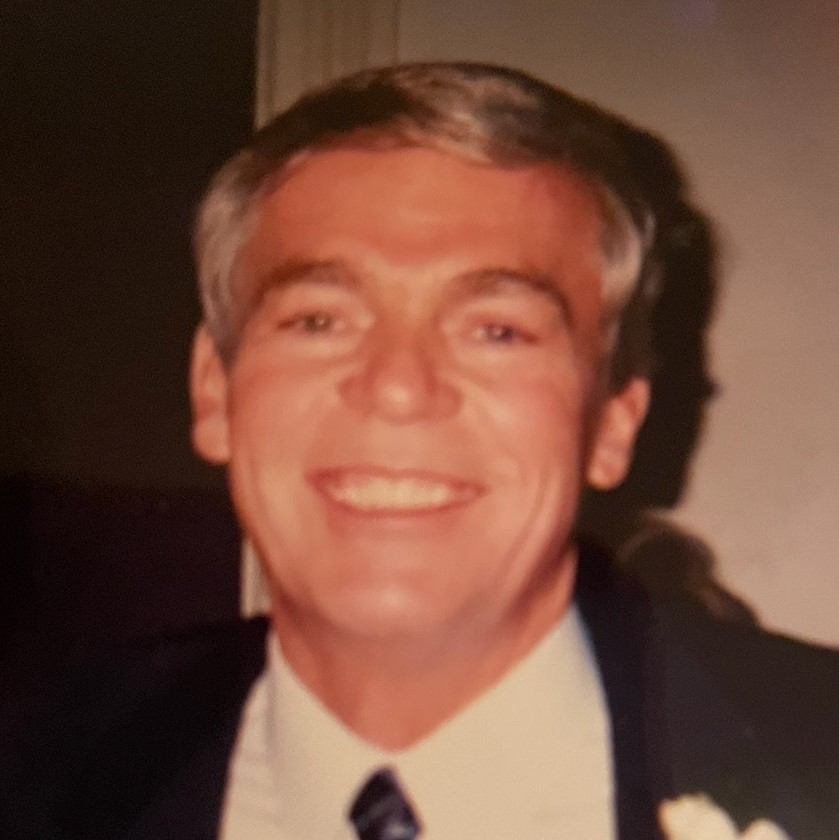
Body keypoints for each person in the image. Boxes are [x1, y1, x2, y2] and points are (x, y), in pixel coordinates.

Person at [2, 62, 837, 840]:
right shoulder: (46, 765)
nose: (397, 387)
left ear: (612, 423)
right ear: (214, 391)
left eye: (496, 330)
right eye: (319, 320)